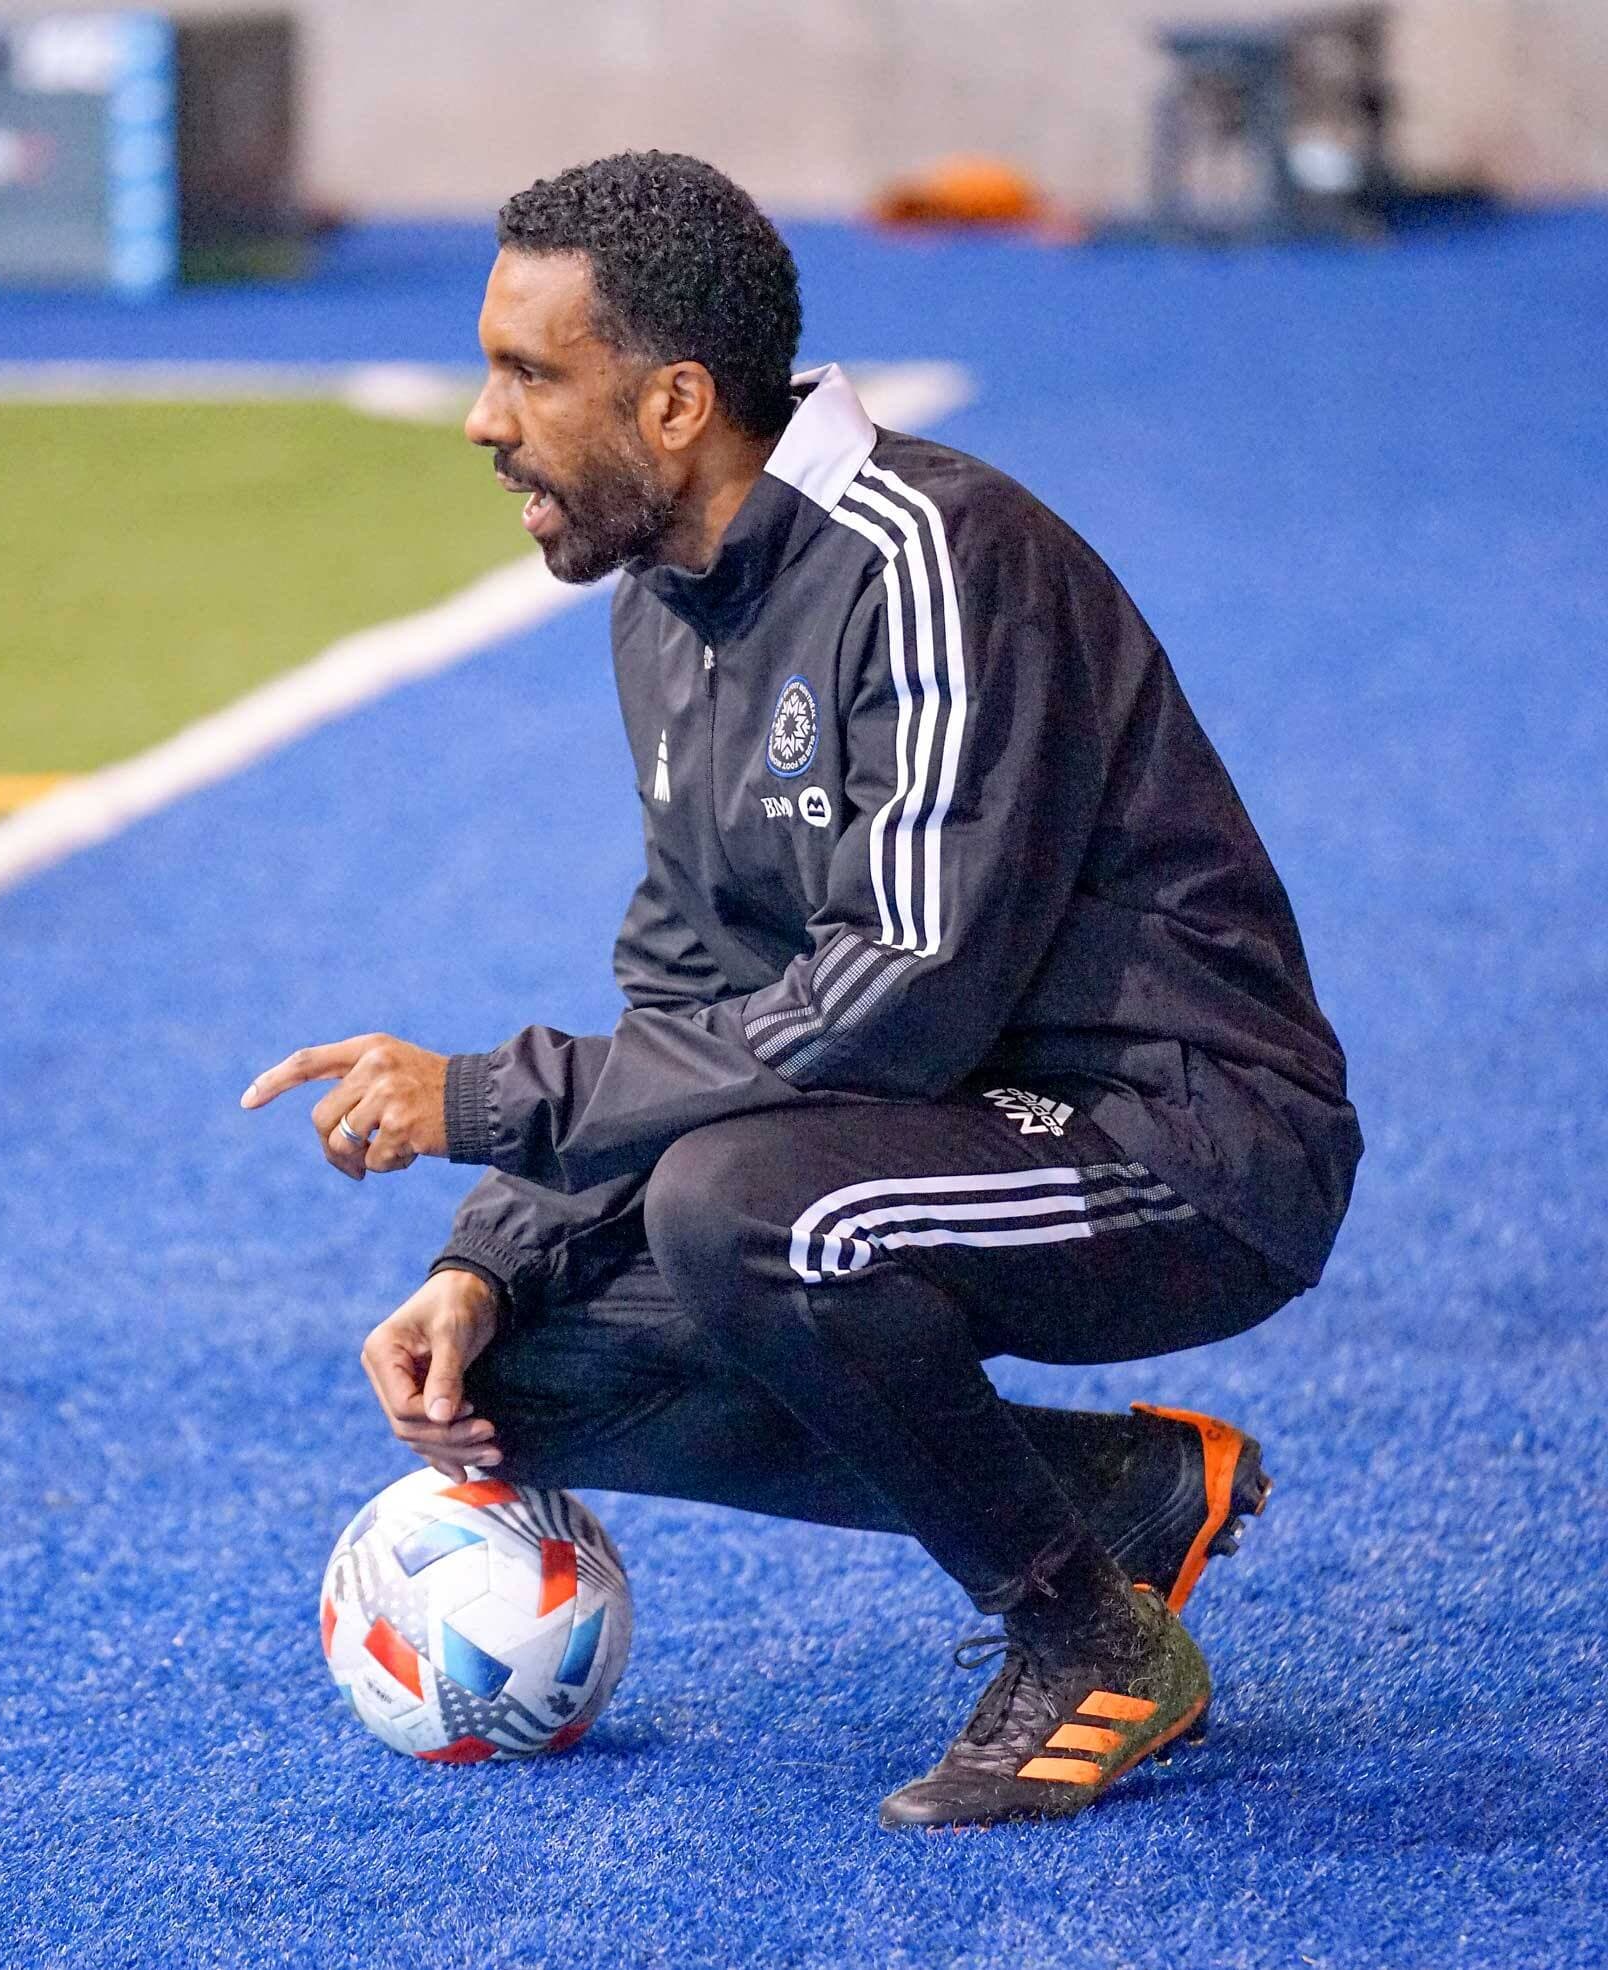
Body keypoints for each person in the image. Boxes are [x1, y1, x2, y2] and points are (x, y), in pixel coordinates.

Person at [241, 151, 1360, 1829]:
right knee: (514, 1381)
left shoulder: (936, 557)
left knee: (745, 1206)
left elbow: (900, 993)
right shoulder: (666, 609)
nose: (485, 419)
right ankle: (1110, 1501)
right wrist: (488, 1256)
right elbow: (690, 983)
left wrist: (485, 1092)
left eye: (531, 373)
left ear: (678, 401)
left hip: (1183, 1138)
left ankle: (1091, 1643)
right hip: (950, 1122)